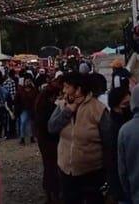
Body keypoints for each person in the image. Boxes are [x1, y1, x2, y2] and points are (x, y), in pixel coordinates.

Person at [48, 72, 112, 204]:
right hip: (66, 171)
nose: (64, 90)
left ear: (78, 89)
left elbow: (109, 141)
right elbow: (52, 127)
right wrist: (68, 111)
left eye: (67, 87)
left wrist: (108, 173)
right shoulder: (62, 105)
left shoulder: (98, 109)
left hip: (92, 173)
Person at [35, 74, 63, 203]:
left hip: (43, 140)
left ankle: (50, 194)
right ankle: (54, 194)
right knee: (53, 167)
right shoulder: (50, 107)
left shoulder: (40, 102)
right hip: (51, 141)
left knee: (48, 167)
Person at [106, 86, 132, 204]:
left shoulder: (128, 120)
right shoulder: (112, 128)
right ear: (115, 105)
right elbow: (111, 160)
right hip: (122, 186)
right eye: (125, 104)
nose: (129, 107)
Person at [17, 75, 38, 145]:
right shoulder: (21, 90)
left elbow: (36, 98)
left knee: (30, 124)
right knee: (23, 122)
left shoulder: (33, 90)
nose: (27, 82)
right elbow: (17, 100)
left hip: (31, 109)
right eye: (26, 81)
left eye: (29, 81)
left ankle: (31, 137)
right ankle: (22, 138)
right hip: (24, 109)